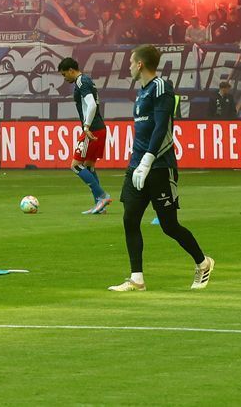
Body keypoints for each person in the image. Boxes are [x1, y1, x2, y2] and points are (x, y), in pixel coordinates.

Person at [108, 46, 214, 293]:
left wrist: (148, 160)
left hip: (159, 167)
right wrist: (137, 162)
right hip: (136, 166)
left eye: (131, 62)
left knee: (169, 225)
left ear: (140, 65)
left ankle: (203, 262)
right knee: (130, 219)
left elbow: (161, 128)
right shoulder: (142, 91)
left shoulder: (161, 88)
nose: (129, 67)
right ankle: (137, 279)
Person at [57, 57, 111, 214]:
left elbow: (92, 104)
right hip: (99, 128)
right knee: (89, 166)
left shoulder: (81, 82)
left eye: (64, 74)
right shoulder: (87, 80)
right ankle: (99, 206)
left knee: (75, 165)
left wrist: (86, 126)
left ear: (71, 71)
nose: (64, 78)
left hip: (92, 129)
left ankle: (101, 196)